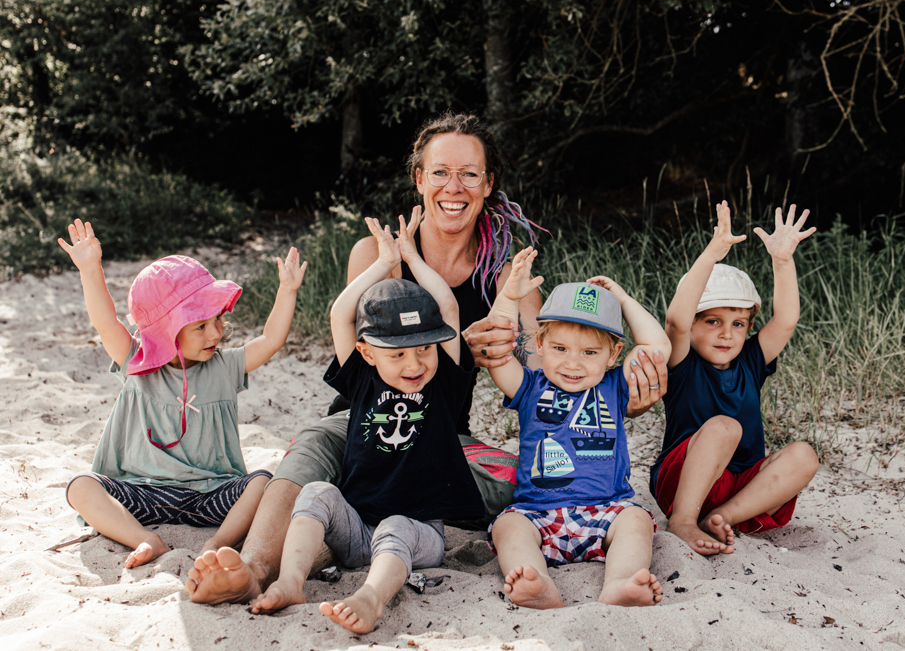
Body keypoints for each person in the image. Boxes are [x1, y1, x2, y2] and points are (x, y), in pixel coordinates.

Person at [186, 111, 667, 605]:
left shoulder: (505, 277)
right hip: (360, 422)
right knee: (310, 450)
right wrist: (390, 265)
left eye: (469, 174)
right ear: (419, 179)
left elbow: (556, 379)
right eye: (439, 172)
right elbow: (352, 344)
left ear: (488, 184)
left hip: (444, 435)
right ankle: (255, 568)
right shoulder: (372, 256)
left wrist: (623, 400)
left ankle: (366, 539)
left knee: (525, 485)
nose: (453, 186)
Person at [247, 212, 481, 634]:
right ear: (368, 352)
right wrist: (382, 261)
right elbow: (341, 312)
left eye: (425, 349)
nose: (415, 363)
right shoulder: (361, 378)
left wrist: (411, 255)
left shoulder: (443, 384)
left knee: (395, 527)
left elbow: (447, 306)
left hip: (418, 532)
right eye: (398, 353)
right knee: (317, 492)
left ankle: (371, 598)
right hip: (356, 528)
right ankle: (291, 580)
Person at [57, 218, 306, 567]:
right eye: (200, 326)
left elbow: (271, 340)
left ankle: (216, 542)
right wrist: (89, 268)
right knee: (80, 487)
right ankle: (144, 540)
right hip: (142, 491)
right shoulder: (137, 363)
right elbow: (105, 322)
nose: (215, 333)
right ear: (165, 331)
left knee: (263, 482)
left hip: (210, 495)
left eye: (218, 319)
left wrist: (287, 291)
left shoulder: (224, 367)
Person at [484, 247, 667, 609]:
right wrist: (507, 297)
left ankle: (620, 583)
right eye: (560, 348)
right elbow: (497, 351)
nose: (573, 363)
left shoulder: (614, 387)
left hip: (606, 510)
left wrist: (625, 300)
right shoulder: (530, 386)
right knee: (508, 528)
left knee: (636, 520)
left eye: (589, 352)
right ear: (539, 344)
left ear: (613, 355)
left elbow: (657, 346)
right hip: (537, 514)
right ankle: (537, 584)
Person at [650, 201, 820, 556]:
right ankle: (683, 520)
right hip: (683, 481)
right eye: (713, 321)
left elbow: (786, 320)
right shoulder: (683, 364)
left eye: (738, 324)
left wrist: (783, 261)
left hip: (741, 489)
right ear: (695, 325)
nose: (727, 334)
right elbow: (675, 323)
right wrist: (713, 252)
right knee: (725, 426)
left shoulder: (751, 361)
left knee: (804, 455)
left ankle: (720, 518)